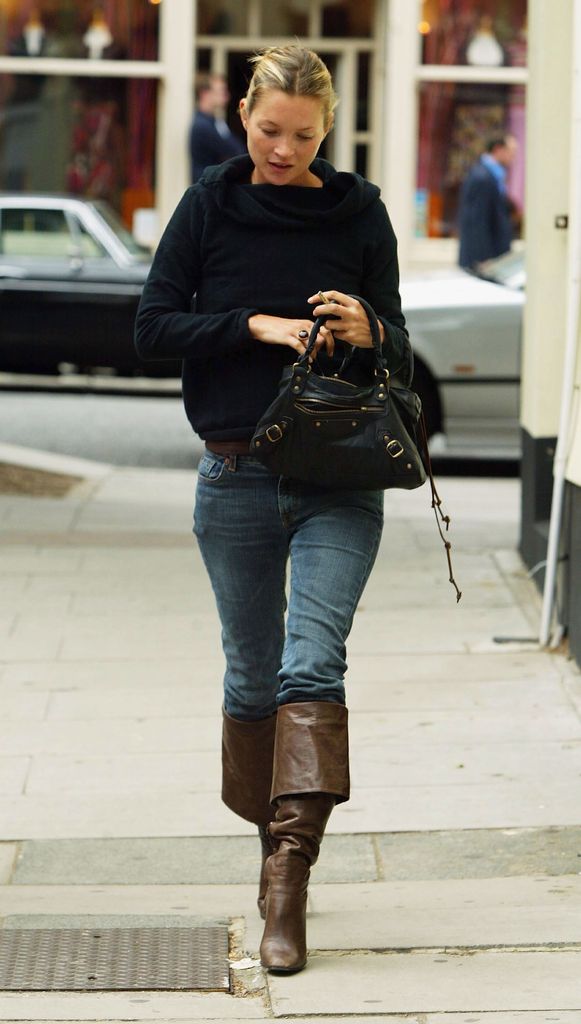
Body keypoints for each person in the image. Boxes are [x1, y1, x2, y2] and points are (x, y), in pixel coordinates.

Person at [135, 44, 412, 974]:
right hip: (235, 472)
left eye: (301, 135)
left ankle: (289, 881)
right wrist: (248, 324)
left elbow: (398, 350)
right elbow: (149, 326)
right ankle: (268, 849)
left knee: (310, 664)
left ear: (326, 129)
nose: (283, 150)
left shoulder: (360, 211)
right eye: (267, 131)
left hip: (339, 477)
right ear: (244, 115)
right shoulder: (211, 201)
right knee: (251, 683)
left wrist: (370, 330)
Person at [458, 133, 517, 269]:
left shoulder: (494, 174)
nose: (513, 157)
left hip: (495, 256)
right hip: (484, 260)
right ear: (498, 149)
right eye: (511, 152)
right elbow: (477, 221)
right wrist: (483, 258)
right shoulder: (482, 176)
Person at [189, 72, 245, 182]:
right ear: (204, 94)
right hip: (205, 188)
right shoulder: (203, 126)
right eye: (221, 91)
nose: (226, 96)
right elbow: (237, 151)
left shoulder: (212, 121)